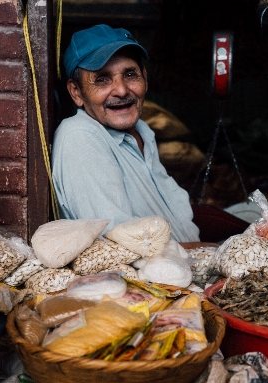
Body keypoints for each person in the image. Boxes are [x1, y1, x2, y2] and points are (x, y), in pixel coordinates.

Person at [52, 24, 200, 243]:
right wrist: (203, 251)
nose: (121, 90)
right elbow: (119, 241)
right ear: (76, 92)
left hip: (182, 268)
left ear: (145, 79)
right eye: (102, 79)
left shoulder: (143, 131)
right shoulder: (80, 136)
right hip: (139, 276)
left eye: (130, 74)